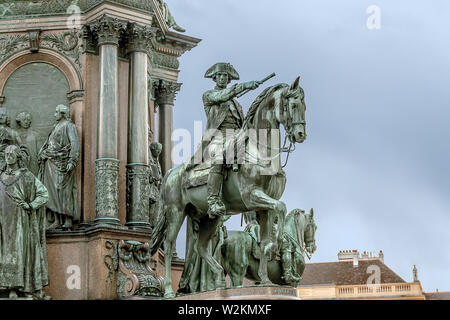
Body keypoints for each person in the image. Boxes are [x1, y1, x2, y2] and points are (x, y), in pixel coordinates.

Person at [199, 62, 260, 219]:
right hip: (218, 137)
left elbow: (243, 122)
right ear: (214, 78)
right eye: (219, 75)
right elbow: (224, 95)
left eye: (225, 75)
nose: (222, 78)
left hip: (236, 136)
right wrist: (245, 86)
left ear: (228, 79)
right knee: (219, 157)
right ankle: (213, 200)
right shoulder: (209, 96)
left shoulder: (236, 104)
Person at [0, 145, 50, 299]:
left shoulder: (26, 176)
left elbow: (44, 193)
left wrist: (30, 205)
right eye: (6, 154)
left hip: (20, 223)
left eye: (12, 154)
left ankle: (17, 287)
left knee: (19, 252)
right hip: (2, 222)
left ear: (18, 157)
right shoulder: (0, 176)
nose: (9, 156)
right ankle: (6, 287)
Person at [38, 105, 80, 230]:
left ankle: (67, 219)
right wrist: (43, 153)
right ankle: (56, 220)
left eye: (56, 112)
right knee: (51, 192)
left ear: (62, 113)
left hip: (62, 163)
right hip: (50, 163)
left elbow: (74, 144)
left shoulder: (69, 126)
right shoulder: (55, 127)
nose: (54, 114)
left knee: (63, 192)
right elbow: (48, 144)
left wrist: (72, 160)